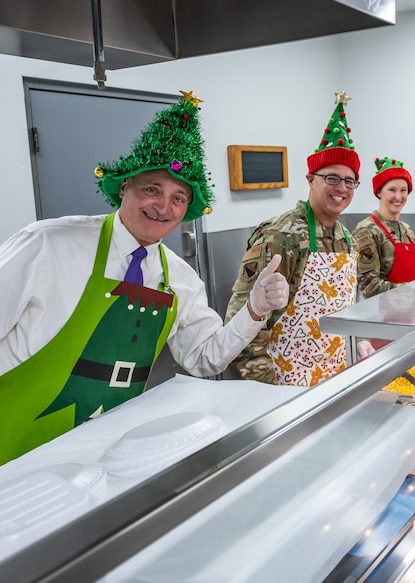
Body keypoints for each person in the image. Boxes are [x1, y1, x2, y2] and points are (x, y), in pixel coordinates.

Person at [0, 92, 289, 465]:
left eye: (178, 197)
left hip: (101, 456)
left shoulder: (180, 278)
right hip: (14, 446)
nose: (163, 206)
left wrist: (253, 309)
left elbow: (203, 359)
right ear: (124, 188)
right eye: (151, 189)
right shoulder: (48, 244)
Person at [226, 92, 372, 386]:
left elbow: (344, 309)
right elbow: (242, 319)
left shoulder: (347, 238)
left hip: (334, 375)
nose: (341, 188)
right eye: (331, 178)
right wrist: (268, 392)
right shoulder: (280, 235)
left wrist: (360, 341)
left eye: (349, 181)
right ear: (310, 179)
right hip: (286, 383)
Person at [353, 157, 415, 299]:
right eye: (392, 190)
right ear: (379, 192)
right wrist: (412, 290)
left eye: (403, 190)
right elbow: (369, 286)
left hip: (413, 311)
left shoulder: (407, 231)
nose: (398, 196)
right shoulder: (367, 230)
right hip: (382, 316)